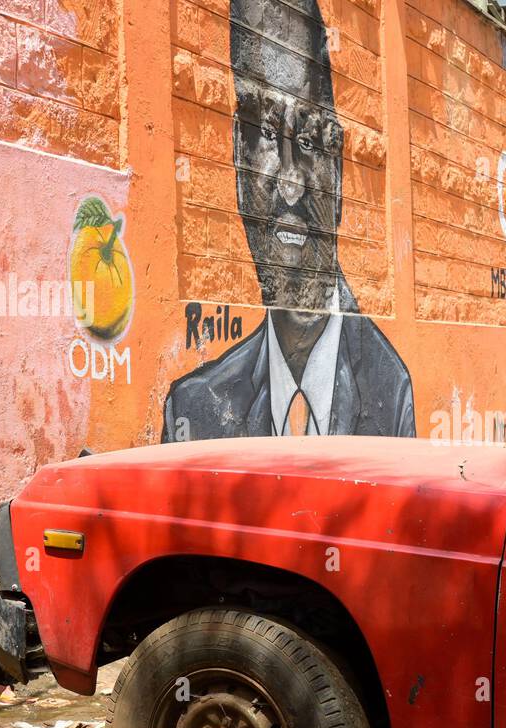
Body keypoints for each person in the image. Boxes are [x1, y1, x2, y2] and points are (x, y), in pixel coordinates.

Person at [163, 0, 415, 442]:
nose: (290, 184)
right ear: (239, 166)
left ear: (336, 173)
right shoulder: (193, 409)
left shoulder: (390, 394)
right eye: (263, 133)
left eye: (307, 139)